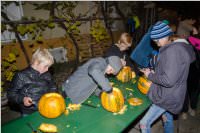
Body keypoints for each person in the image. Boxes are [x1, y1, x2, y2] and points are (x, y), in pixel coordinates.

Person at [139, 21, 195, 133]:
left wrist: (150, 75)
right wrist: (156, 71)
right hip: (174, 94)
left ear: (165, 36)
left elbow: (168, 80)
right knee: (167, 120)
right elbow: (173, 72)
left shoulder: (172, 51)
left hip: (166, 97)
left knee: (144, 124)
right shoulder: (178, 47)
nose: (156, 43)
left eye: (157, 40)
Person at [7, 48, 57, 116]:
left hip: (46, 107)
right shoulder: (21, 76)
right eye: (45, 66)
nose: (47, 69)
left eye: (49, 66)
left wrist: (53, 96)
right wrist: (22, 99)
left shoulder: (47, 74)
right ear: (36, 62)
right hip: (29, 112)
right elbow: (11, 94)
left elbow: (52, 86)